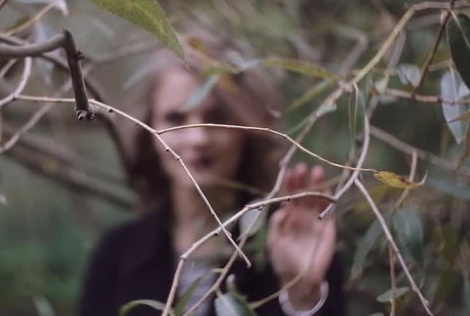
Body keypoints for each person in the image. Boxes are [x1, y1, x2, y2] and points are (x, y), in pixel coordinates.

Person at [79, 30, 345, 316]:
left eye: (216, 117)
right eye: (175, 119)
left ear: (246, 129)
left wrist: (301, 295)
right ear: (149, 132)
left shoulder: (295, 242)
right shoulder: (116, 255)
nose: (197, 138)